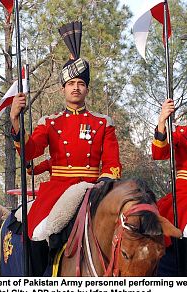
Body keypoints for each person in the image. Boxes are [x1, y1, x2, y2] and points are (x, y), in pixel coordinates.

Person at [10, 21, 121, 275]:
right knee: (38, 232)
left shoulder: (103, 123)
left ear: (86, 89)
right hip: (59, 190)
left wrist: (102, 186)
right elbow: (32, 150)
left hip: (95, 189)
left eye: (80, 83)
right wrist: (15, 121)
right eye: (71, 83)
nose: (75, 87)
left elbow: (113, 163)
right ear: (63, 89)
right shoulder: (50, 122)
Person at [152, 69, 187, 276]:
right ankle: (184, 275)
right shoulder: (181, 131)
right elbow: (160, 153)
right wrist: (162, 122)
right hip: (186, 197)